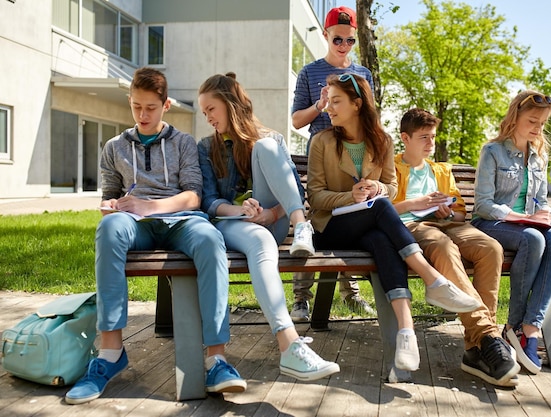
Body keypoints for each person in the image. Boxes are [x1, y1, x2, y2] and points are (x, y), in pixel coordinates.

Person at [65, 68, 245, 405]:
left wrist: (150, 206)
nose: (143, 115)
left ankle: (217, 360)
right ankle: (109, 354)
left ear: (166, 105)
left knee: (209, 239)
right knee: (108, 228)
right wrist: (111, 206)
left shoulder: (184, 143)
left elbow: (193, 197)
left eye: (150, 107)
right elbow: (111, 194)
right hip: (137, 226)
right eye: (136, 107)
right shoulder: (114, 147)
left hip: (181, 221)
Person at [306, 73, 481, 372]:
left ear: (357, 104)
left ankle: (406, 331)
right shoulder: (322, 141)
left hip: (370, 226)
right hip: (331, 228)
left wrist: (376, 189)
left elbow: (389, 186)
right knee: (381, 209)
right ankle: (431, 279)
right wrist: (352, 196)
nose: (329, 108)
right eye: (329, 102)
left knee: (381, 239)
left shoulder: (382, 141)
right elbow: (316, 197)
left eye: (336, 101)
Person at [196, 72, 340, 381]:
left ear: (230, 104)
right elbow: (208, 201)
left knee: (265, 147)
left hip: (273, 221)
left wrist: (273, 214)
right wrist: (241, 209)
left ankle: (302, 226)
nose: (207, 117)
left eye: (211, 109)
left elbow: (295, 193)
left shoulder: (271, 139)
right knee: (260, 242)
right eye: (204, 111)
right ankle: (289, 346)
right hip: (231, 223)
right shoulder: (206, 148)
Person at [391, 108, 520, 386]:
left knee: (491, 248)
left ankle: (476, 348)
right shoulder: (392, 167)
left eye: (433, 137)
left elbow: (460, 214)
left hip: (447, 224)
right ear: (405, 138)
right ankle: (488, 338)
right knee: (445, 247)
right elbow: (384, 209)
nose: (430, 143)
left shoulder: (440, 170)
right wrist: (418, 204)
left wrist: (446, 212)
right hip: (412, 227)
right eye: (424, 137)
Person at [472, 91, 551, 374]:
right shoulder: (492, 152)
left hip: (528, 225)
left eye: (542, 123)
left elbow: (542, 201)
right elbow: (484, 205)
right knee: (532, 238)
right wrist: (525, 218)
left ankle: (530, 327)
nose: (538, 128)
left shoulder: (540, 156)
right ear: (515, 116)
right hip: (492, 224)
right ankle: (515, 326)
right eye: (532, 121)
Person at [290, 5, 375, 321]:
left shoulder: (363, 75)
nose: (344, 46)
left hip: (355, 154)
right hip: (321, 156)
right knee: (316, 220)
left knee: (351, 217)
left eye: (350, 41)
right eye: (338, 39)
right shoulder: (310, 72)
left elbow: (371, 119)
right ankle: (301, 299)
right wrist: (320, 105)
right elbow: (297, 120)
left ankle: (351, 294)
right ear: (325, 36)